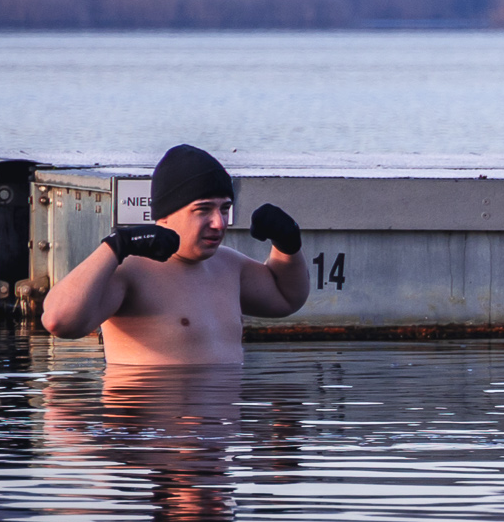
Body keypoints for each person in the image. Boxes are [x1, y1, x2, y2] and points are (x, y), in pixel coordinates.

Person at [37, 142, 312, 364]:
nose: (219, 223)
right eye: (203, 210)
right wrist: (115, 246)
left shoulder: (228, 264)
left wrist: (287, 246)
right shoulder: (129, 272)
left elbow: (286, 299)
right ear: (166, 214)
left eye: (224, 209)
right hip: (155, 426)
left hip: (226, 433)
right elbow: (58, 322)